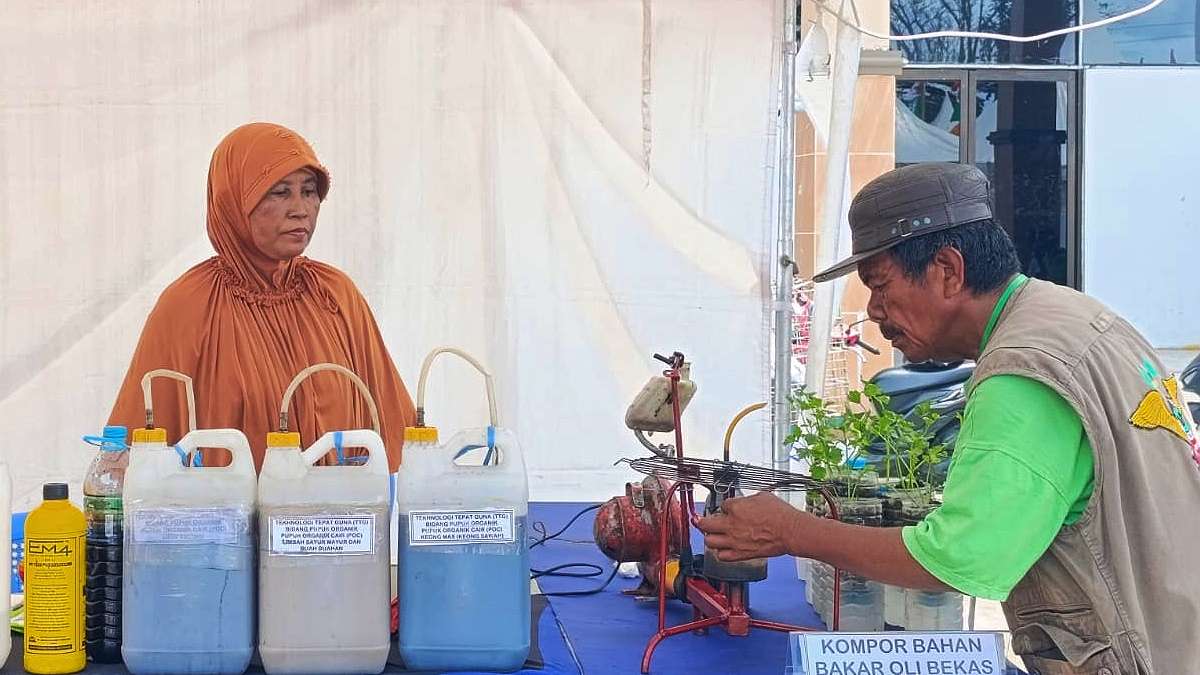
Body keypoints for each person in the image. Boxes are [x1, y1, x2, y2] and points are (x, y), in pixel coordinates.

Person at [698, 163, 1200, 674]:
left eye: (880, 286)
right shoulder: (1082, 320)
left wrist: (792, 531)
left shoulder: (1023, 372)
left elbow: (961, 559)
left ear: (948, 270)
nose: (873, 311)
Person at [109, 122, 415, 470]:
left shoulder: (335, 296)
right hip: (227, 522)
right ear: (234, 200)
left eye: (310, 191)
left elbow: (395, 434)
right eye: (280, 192)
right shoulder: (189, 307)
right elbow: (135, 465)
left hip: (338, 523)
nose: (300, 208)